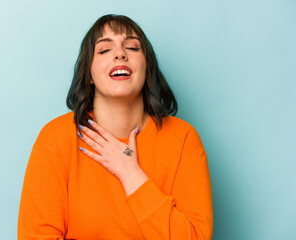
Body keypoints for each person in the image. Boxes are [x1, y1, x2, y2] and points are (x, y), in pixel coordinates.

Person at [18, 14, 213, 240]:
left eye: (131, 47)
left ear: (147, 67)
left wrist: (131, 173)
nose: (120, 54)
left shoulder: (183, 138)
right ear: (88, 74)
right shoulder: (56, 139)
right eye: (103, 50)